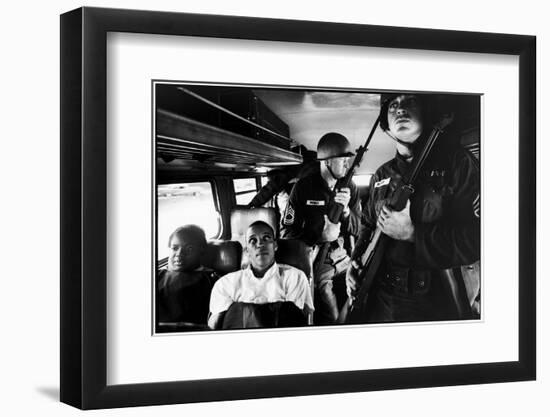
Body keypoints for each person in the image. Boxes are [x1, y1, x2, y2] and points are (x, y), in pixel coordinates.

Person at [346, 93, 480, 323]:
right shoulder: (381, 174)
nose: (400, 109)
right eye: (393, 105)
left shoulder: (458, 164)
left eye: (410, 101)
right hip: (383, 296)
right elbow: (368, 225)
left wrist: (414, 235)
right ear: (386, 125)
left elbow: (478, 240)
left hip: (438, 299)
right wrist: (354, 261)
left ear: (426, 111)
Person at [281, 133, 362, 324]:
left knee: (358, 302)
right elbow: (286, 232)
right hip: (318, 259)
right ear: (326, 162)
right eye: (342, 160)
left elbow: (360, 228)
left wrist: (347, 213)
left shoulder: (350, 186)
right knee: (332, 315)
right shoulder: (303, 188)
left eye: (347, 160)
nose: (346, 165)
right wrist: (319, 235)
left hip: (344, 256)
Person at [208, 221, 314, 329]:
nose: (260, 244)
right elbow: (215, 327)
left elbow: (295, 324)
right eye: (253, 240)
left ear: (275, 245)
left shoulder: (295, 277)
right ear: (247, 250)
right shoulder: (225, 283)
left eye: (266, 238)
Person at [157, 225, 215, 329]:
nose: (179, 254)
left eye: (189, 249)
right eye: (174, 248)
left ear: (201, 251)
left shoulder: (211, 279)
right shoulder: (157, 275)